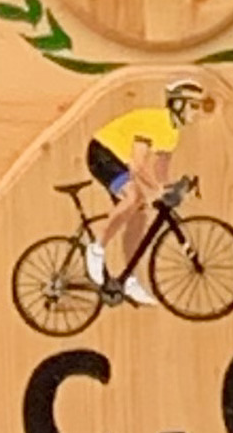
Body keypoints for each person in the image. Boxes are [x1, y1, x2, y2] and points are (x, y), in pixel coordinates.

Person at [84, 78, 207, 301]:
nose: (197, 112)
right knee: (133, 196)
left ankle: (127, 278)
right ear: (179, 104)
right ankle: (96, 247)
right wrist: (158, 190)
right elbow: (137, 165)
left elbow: (161, 169)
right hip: (103, 153)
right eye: (194, 106)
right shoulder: (155, 121)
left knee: (138, 218)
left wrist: (171, 188)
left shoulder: (172, 132)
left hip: (119, 161)